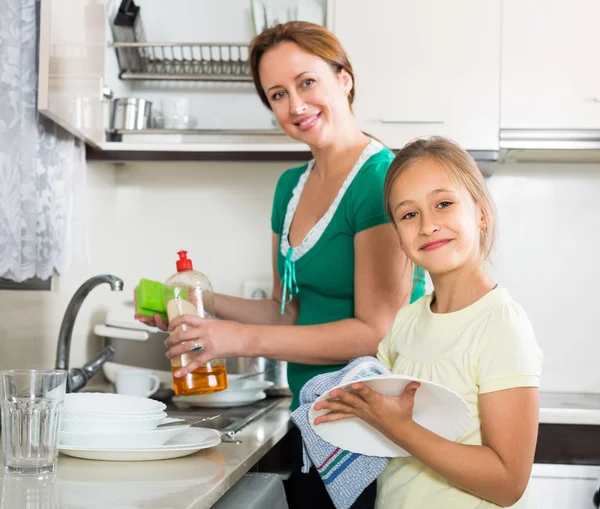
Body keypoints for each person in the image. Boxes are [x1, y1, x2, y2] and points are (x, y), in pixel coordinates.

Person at [135, 21, 425, 509]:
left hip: (376, 426)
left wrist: (239, 340)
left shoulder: (380, 179)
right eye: (277, 94)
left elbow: (377, 331)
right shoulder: (290, 187)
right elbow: (283, 311)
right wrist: (196, 308)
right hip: (315, 417)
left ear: (344, 78)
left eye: (306, 82)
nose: (295, 105)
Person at [314, 136, 544, 509]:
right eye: (408, 214)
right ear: (398, 235)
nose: (428, 225)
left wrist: (398, 427)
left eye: (443, 204)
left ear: (481, 213)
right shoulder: (406, 321)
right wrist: (359, 408)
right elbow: (385, 425)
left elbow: (507, 484)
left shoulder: (501, 326)